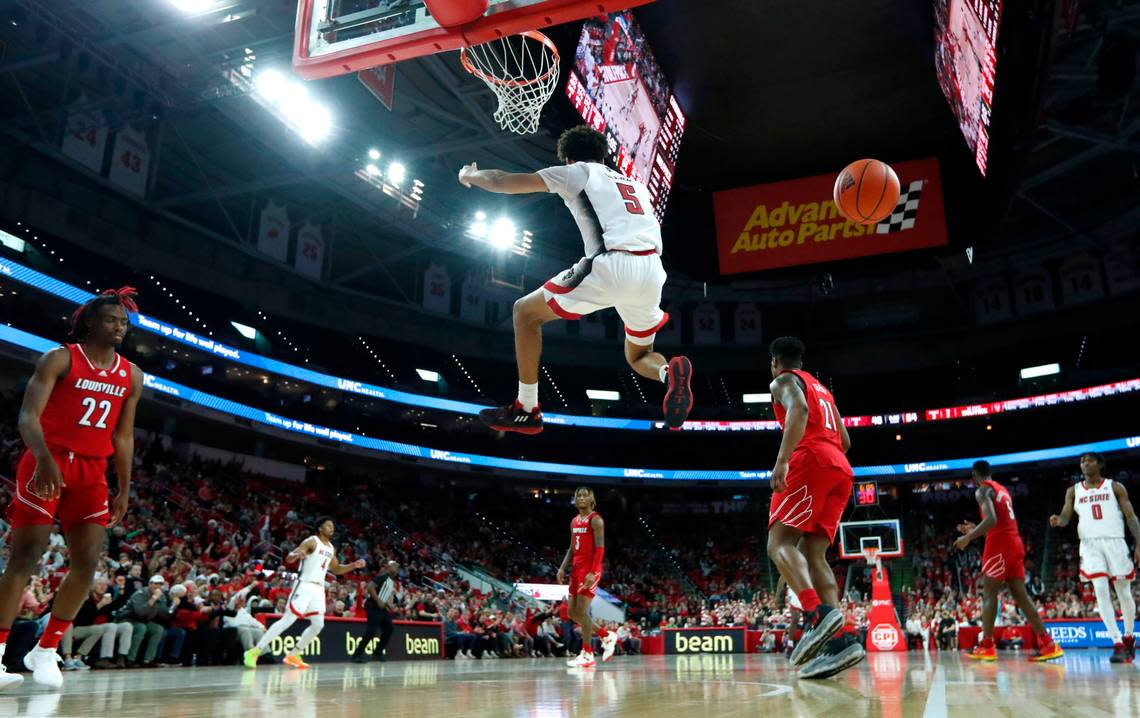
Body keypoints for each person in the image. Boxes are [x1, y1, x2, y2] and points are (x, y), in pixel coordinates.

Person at [458, 125, 693, 434]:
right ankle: (667, 373)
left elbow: (502, 181)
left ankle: (527, 408)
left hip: (611, 263)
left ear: (567, 158)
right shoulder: (636, 185)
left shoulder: (577, 172)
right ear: (604, 156)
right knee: (639, 355)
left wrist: (470, 175)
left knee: (525, 313)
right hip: (651, 270)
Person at [0, 287, 142, 691]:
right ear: (91, 322)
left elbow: (125, 436)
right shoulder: (60, 358)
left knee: (87, 564)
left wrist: (124, 489)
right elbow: (28, 415)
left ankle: (45, 650)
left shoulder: (131, 374)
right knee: (25, 557)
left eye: (124, 323)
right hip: (49, 461)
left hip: (92, 472)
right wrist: (43, 457)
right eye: (113, 320)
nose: (120, 327)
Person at [764, 337, 864, 679]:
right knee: (814, 551)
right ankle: (841, 642)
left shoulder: (783, 381)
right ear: (801, 360)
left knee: (778, 543)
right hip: (841, 468)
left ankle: (814, 613)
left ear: (776, 362)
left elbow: (799, 411)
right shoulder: (822, 388)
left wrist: (782, 461)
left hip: (811, 459)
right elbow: (847, 441)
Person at [955, 460, 1063, 662]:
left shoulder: (982, 491)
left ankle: (986, 645)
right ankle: (1048, 644)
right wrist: (975, 528)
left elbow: (992, 521)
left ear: (974, 476)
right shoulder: (1001, 489)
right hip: (1015, 542)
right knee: (1022, 597)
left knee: (989, 594)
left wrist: (968, 538)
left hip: (999, 545)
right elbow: (998, 520)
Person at [1049, 452, 1140, 663]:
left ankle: (1128, 636)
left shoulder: (1115, 487)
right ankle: (1116, 642)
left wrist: (1139, 542)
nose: (1084, 463)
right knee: (1100, 590)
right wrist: (1058, 521)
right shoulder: (1073, 490)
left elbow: (1131, 517)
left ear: (1099, 464)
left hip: (1115, 541)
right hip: (1089, 544)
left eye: (1089, 460)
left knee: (1123, 593)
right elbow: (1065, 517)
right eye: (1082, 461)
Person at [243, 516, 364, 670]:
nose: (331, 528)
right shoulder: (311, 542)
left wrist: (354, 565)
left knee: (318, 624)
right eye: (328, 526)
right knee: (287, 620)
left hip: (318, 589)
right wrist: (296, 555)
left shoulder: (331, 548)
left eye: (332, 526)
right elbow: (290, 557)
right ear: (320, 528)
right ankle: (254, 652)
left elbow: (337, 569)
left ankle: (294, 654)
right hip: (304, 585)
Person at [556, 487, 617, 668]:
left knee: (582, 611)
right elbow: (571, 547)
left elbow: (600, 548)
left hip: (590, 569)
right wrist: (562, 567)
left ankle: (587, 653)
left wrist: (592, 572)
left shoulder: (596, 519)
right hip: (576, 568)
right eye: (578, 495)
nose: (581, 498)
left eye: (585, 495)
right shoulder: (574, 521)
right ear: (574, 500)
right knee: (571, 613)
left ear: (592, 499)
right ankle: (606, 635)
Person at [352, 560, 400, 663]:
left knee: (389, 628)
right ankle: (357, 655)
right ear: (388, 567)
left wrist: (389, 605)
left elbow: (384, 597)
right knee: (371, 631)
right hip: (372, 606)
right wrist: (378, 601)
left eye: (398, 566)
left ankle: (377, 653)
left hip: (381, 608)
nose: (396, 567)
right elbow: (370, 587)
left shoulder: (391, 582)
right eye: (394, 565)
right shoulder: (382, 577)